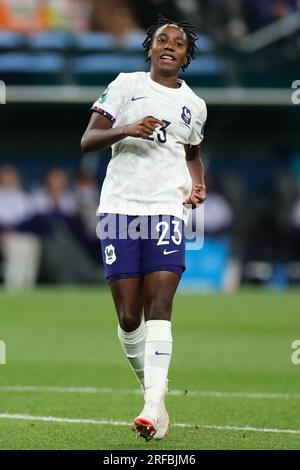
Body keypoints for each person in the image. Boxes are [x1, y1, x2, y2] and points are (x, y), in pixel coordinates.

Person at [81, 15, 207, 441]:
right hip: (119, 209)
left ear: (187, 55)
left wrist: (198, 183)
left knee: (159, 304)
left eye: (178, 42)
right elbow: (88, 139)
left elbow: (192, 154)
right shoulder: (126, 85)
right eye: (162, 39)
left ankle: (152, 406)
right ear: (150, 48)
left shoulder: (195, 106)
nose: (170, 45)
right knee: (129, 315)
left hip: (167, 210)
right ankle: (154, 392)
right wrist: (128, 128)